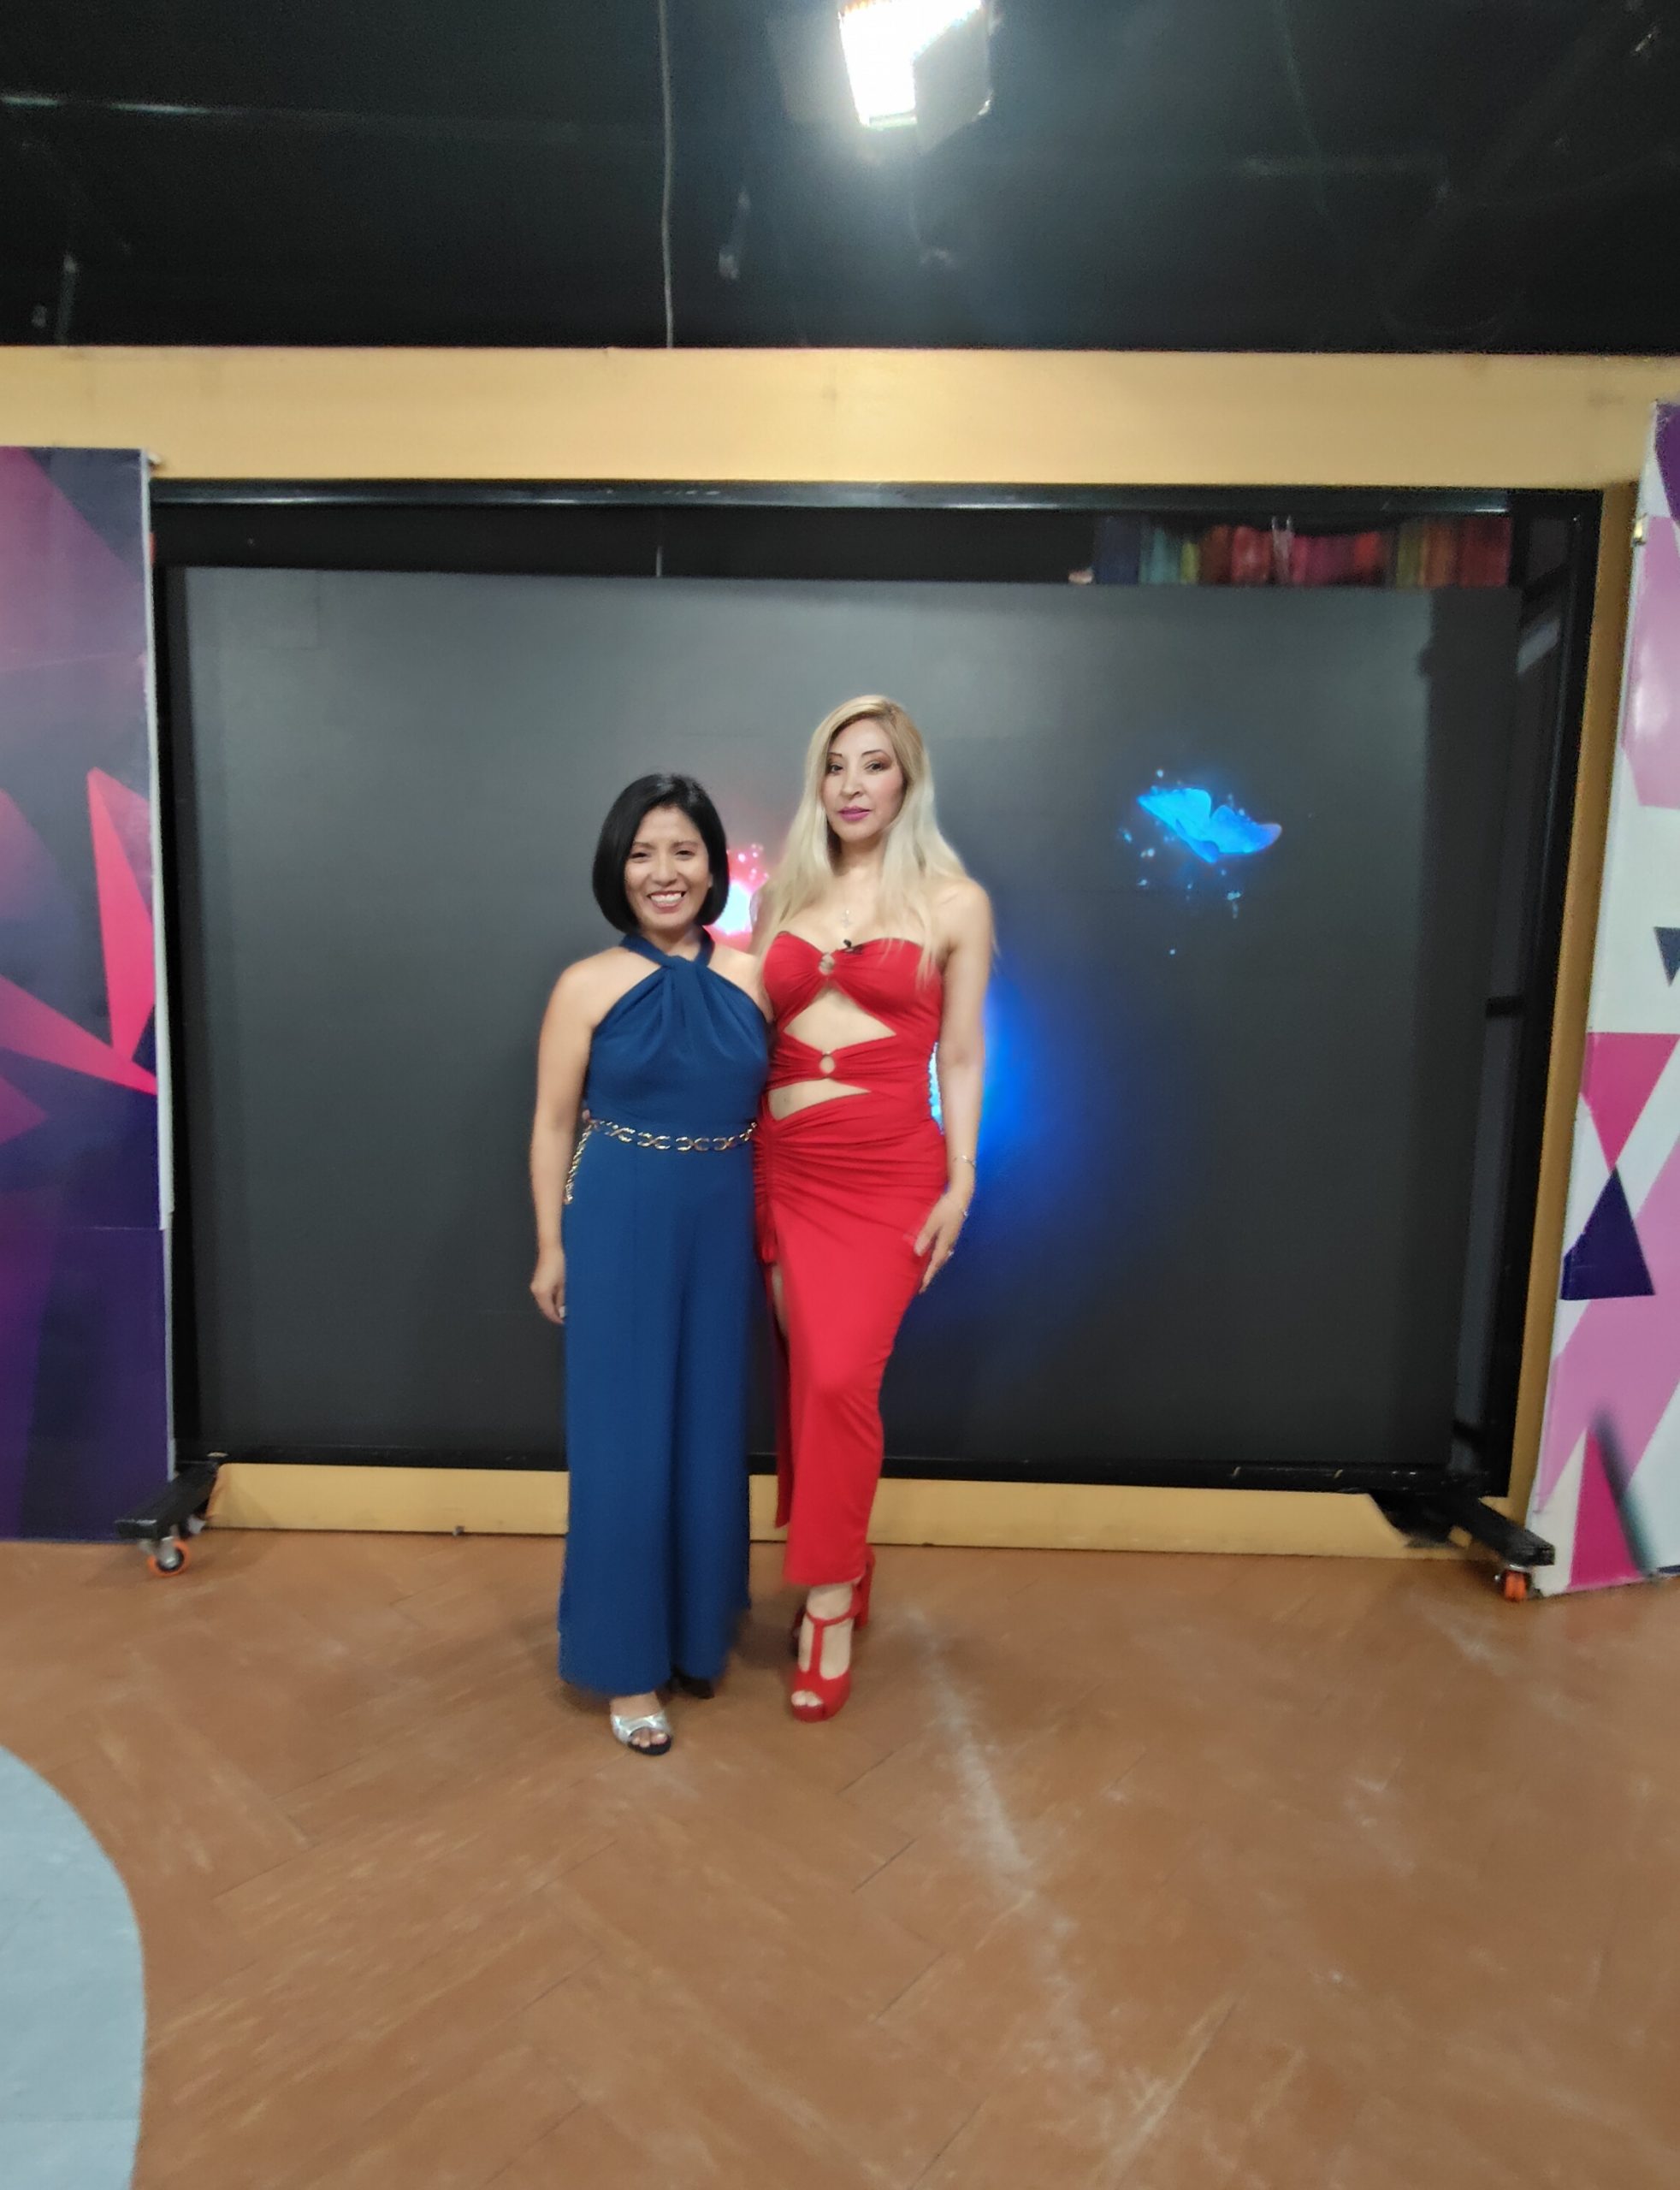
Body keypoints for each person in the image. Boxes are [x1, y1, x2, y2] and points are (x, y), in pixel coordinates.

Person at [754, 697, 991, 1720]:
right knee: (808, 1376)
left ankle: (829, 1603)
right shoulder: (782, 898)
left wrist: (962, 1180)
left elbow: (962, 1054)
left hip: (888, 1173)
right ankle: (842, 1560)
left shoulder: (953, 903)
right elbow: (744, 1030)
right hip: (782, 1170)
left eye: (874, 764)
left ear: (907, 781)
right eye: (834, 765)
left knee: (840, 1375)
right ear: (817, 783)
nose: (852, 784)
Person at [529, 774, 769, 1754]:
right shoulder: (584, 985)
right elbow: (552, 1123)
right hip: (618, 1215)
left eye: (681, 850)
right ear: (616, 869)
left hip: (722, 1215)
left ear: (711, 865)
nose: (662, 871)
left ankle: (695, 1634)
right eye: (641, 853)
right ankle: (627, 1662)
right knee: (623, 1437)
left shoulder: (754, 978)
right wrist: (550, 1243)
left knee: (709, 1426)